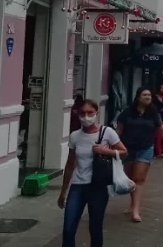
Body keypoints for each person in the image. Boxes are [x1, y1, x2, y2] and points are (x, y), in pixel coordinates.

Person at [59, 99, 127, 247]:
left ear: (96, 113)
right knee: (68, 228)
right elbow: (71, 163)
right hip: (78, 186)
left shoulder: (107, 132)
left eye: (90, 112)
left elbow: (123, 152)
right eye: (82, 113)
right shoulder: (75, 136)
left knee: (95, 227)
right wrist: (63, 191)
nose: (86, 116)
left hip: (98, 186)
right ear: (77, 114)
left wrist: (105, 151)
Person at [116, 87, 163, 222]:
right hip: (127, 148)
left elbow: (162, 131)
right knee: (130, 179)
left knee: (139, 179)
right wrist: (112, 145)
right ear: (138, 97)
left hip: (146, 148)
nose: (148, 97)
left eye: (149, 95)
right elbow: (118, 131)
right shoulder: (127, 113)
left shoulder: (154, 113)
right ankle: (132, 203)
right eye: (145, 95)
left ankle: (136, 211)